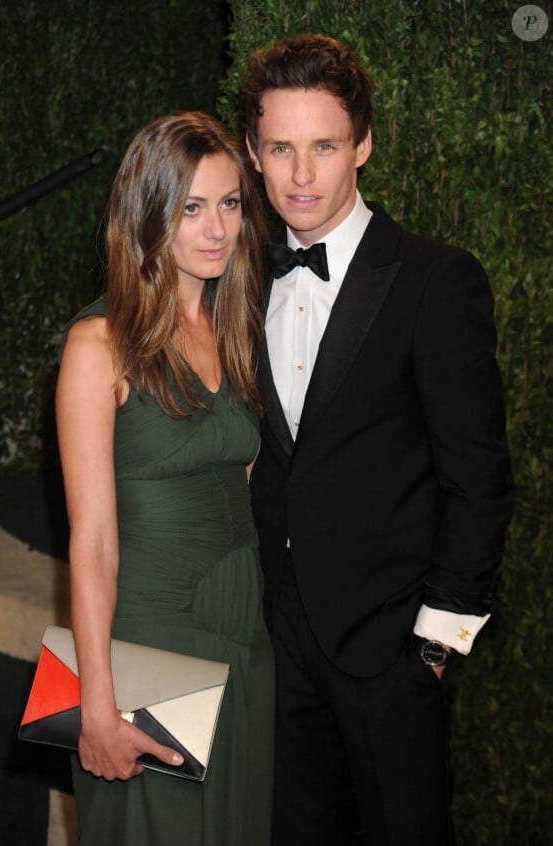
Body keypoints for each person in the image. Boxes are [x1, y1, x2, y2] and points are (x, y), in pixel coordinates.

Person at [242, 34, 514, 846]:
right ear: (253, 156)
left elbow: (480, 478)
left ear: (363, 144)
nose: (301, 175)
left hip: (392, 649)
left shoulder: (436, 279)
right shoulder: (238, 278)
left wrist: (436, 641)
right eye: (280, 149)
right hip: (272, 641)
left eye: (323, 147)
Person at [55, 111, 274, 846]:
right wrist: (96, 705)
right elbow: (91, 543)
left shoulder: (237, 329)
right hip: (150, 642)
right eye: (190, 207)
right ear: (148, 213)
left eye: (230, 203)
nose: (217, 229)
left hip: (245, 638)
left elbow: (239, 483)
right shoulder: (99, 345)